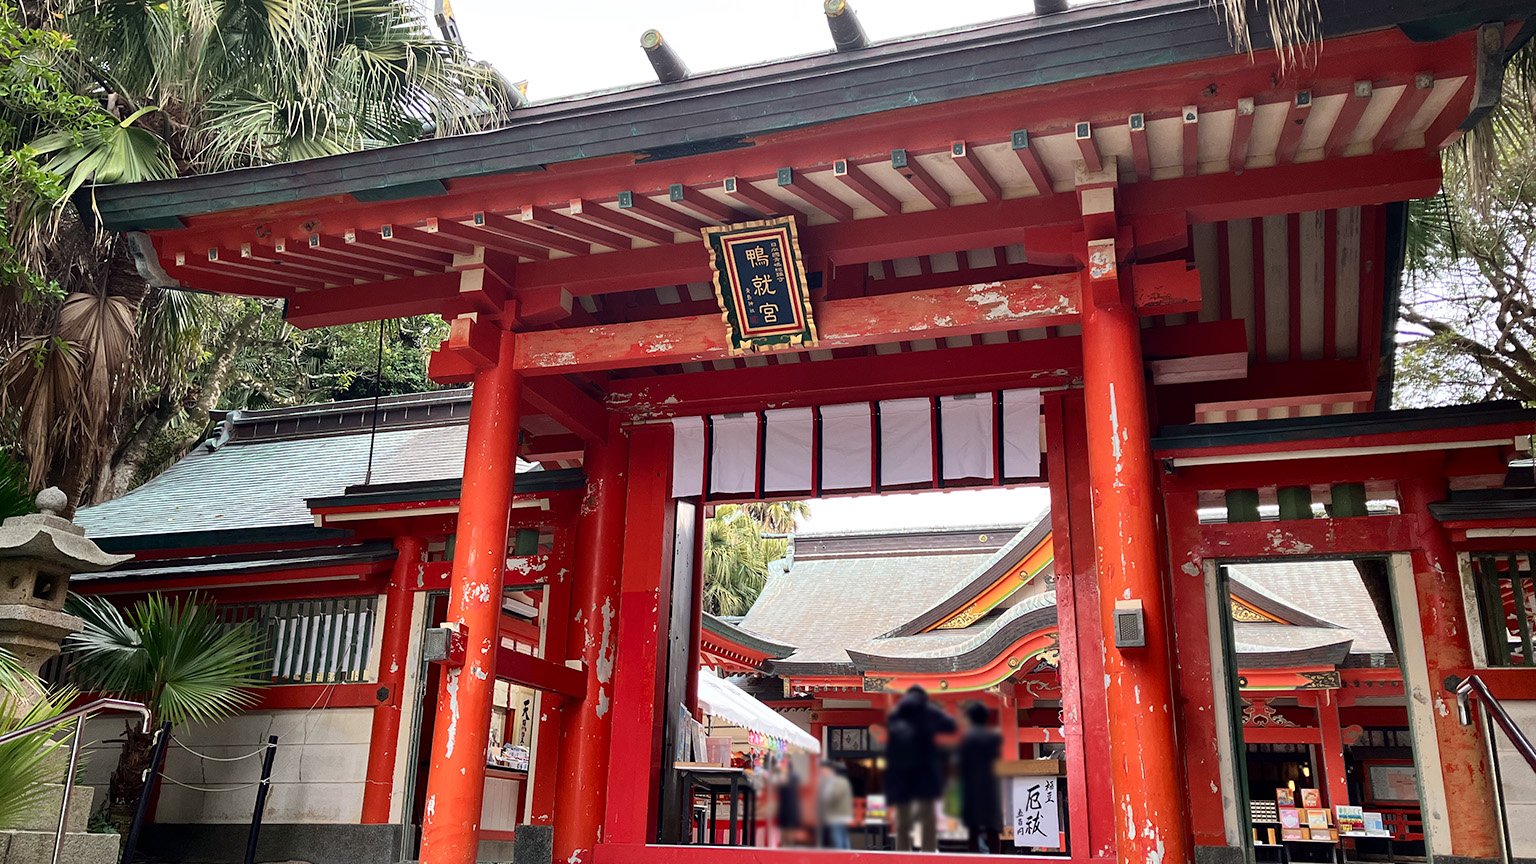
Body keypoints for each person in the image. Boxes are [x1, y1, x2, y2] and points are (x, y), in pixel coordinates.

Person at [884, 684, 956, 852]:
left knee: (903, 819)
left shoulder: (897, 713)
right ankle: (928, 852)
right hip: (926, 773)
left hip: (902, 775)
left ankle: (903, 852)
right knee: (927, 817)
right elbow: (950, 726)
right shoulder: (930, 712)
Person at [958, 701, 1004, 853]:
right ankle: (996, 857)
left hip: (972, 785)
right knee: (992, 828)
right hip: (990, 785)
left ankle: (974, 857)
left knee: (973, 828)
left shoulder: (967, 738)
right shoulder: (993, 737)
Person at [818, 761, 855, 849]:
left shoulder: (838, 782)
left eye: (824, 770)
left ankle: (842, 857)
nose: (822, 772)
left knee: (838, 838)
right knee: (843, 836)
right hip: (839, 815)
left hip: (837, 815)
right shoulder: (841, 781)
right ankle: (847, 857)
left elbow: (833, 796)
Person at [777, 758, 804, 846]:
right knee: (784, 828)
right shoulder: (786, 776)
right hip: (785, 807)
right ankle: (785, 844)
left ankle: (788, 845)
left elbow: (785, 783)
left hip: (791, 807)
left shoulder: (793, 777)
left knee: (789, 828)